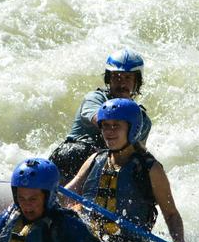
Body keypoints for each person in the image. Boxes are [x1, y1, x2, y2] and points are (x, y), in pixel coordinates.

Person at [65, 98, 189, 242]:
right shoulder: (95, 159)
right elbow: (67, 193)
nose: (109, 131)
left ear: (132, 128)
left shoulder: (150, 169)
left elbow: (171, 213)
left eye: (116, 125)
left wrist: (178, 241)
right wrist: (71, 207)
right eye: (106, 126)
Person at [49, 48, 153, 183]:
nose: (121, 83)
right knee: (78, 151)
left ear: (136, 82)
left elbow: (137, 153)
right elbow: (102, 119)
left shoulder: (143, 121)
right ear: (108, 80)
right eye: (116, 77)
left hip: (104, 172)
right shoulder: (95, 99)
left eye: (128, 78)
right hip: (71, 162)